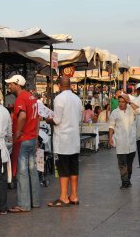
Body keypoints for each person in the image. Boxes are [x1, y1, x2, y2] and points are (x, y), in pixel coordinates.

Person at [5, 74, 40, 213]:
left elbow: (23, 116)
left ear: (18, 84)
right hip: (32, 138)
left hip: (24, 139)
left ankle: (24, 204)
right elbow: (37, 119)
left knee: (22, 172)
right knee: (32, 170)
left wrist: (18, 132)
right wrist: (36, 136)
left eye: (11, 84)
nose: (9, 86)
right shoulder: (32, 98)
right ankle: (35, 201)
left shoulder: (21, 98)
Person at [45, 76, 82, 207]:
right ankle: (74, 195)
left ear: (59, 86)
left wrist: (47, 119)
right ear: (70, 85)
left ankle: (63, 197)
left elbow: (57, 120)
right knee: (73, 169)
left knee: (63, 169)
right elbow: (79, 117)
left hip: (63, 140)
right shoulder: (77, 99)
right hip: (74, 140)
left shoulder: (59, 98)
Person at [108, 94, 140, 189]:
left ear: (127, 102)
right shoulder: (115, 112)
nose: (121, 104)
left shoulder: (131, 110)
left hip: (131, 142)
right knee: (122, 164)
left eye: (123, 102)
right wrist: (110, 138)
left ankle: (128, 180)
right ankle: (125, 182)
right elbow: (111, 126)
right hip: (120, 142)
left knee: (129, 165)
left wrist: (130, 102)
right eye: (120, 102)